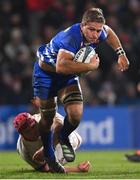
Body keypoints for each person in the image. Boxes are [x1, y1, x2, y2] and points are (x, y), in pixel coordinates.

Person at [32, 7, 130, 172]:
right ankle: (49, 154)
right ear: (83, 25)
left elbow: (110, 32)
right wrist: (90, 66)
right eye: (91, 29)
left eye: (98, 31)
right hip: (46, 75)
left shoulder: (99, 32)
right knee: (47, 118)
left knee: (76, 115)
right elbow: (61, 66)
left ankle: (63, 137)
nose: (95, 34)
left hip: (68, 74)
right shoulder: (71, 37)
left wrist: (120, 53)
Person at [13, 112, 91, 173]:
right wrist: (77, 169)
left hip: (65, 133)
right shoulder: (24, 150)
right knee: (52, 165)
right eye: (29, 131)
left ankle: (56, 148)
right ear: (22, 134)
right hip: (52, 146)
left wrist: (45, 149)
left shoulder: (41, 119)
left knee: (64, 136)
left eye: (34, 126)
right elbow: (46, 169)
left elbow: (59, 127)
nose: (34, 131)